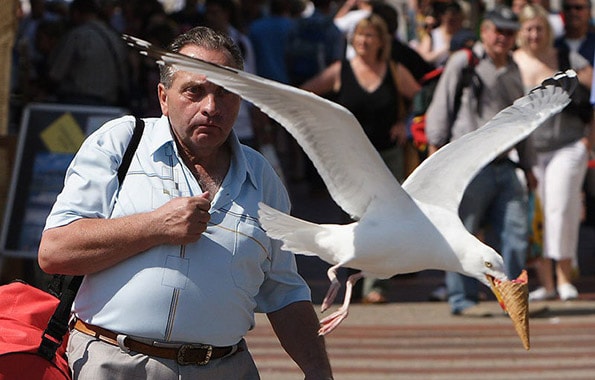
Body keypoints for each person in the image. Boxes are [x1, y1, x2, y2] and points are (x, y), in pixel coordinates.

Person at [37, 26, 333, 379]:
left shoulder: (262, 178)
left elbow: (284, 291)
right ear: (163, 97)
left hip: (224, 367)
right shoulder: (121, 144)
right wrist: (154, 226)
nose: (211, 107)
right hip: (116, 362)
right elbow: (55, 251)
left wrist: (318, 370)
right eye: (195, 91)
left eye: (225, 93)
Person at [301, 14, 420, 304]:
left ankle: (377, 285)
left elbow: (421, 95)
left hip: (387, 156)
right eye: (360, 35)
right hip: (351, 160)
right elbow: (305, 93)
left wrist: (405, 123)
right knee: (353, 216)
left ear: (382, 41)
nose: (364, 41)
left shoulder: (393, 70)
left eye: (371, 36)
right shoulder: (341, 71)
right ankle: (353, 277)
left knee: (387, 219)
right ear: (353, 40)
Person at [425, 5, 534, 316]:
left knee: (515, 234)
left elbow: (522, 121)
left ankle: (512, 300)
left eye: (509, 32)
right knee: (463, 235)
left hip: (505, 164)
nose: (502, 37)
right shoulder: (465, 61)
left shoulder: (514, 68)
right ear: (485, 31)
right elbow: (441, 107)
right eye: (497, 30)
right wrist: (434, 158)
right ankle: (463, 300)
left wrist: (528, 165)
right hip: (467, 167)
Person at [513, 4, 593, 301]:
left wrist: (589, 141)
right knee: (538, 212)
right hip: (529, 150)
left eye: (540, 28)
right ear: (522, 32)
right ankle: (546, 283)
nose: (535, 34)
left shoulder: (565, 57)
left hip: (568, 143)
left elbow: (592, 96)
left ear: (548, 31)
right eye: (529, 29)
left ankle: (563, 276)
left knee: (559, 208)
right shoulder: (512, 62)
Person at [46, 0, 130, 107]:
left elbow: (56, 73)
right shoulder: (115, 37)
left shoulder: (77, 35)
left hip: (77, 103)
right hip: (109, 105)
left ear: (75, 14)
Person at [415, 1, 466, 68]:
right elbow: (423, 58)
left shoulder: (464, 35)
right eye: (450, 20)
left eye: (456, 19)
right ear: (442, 17)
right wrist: (445, 50)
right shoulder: (432, 35)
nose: (453, 23)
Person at [555, 0, 595, 65]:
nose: (573, 12)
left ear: (589, 12)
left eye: (578, 8)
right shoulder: (553, 46)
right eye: (567, 8)